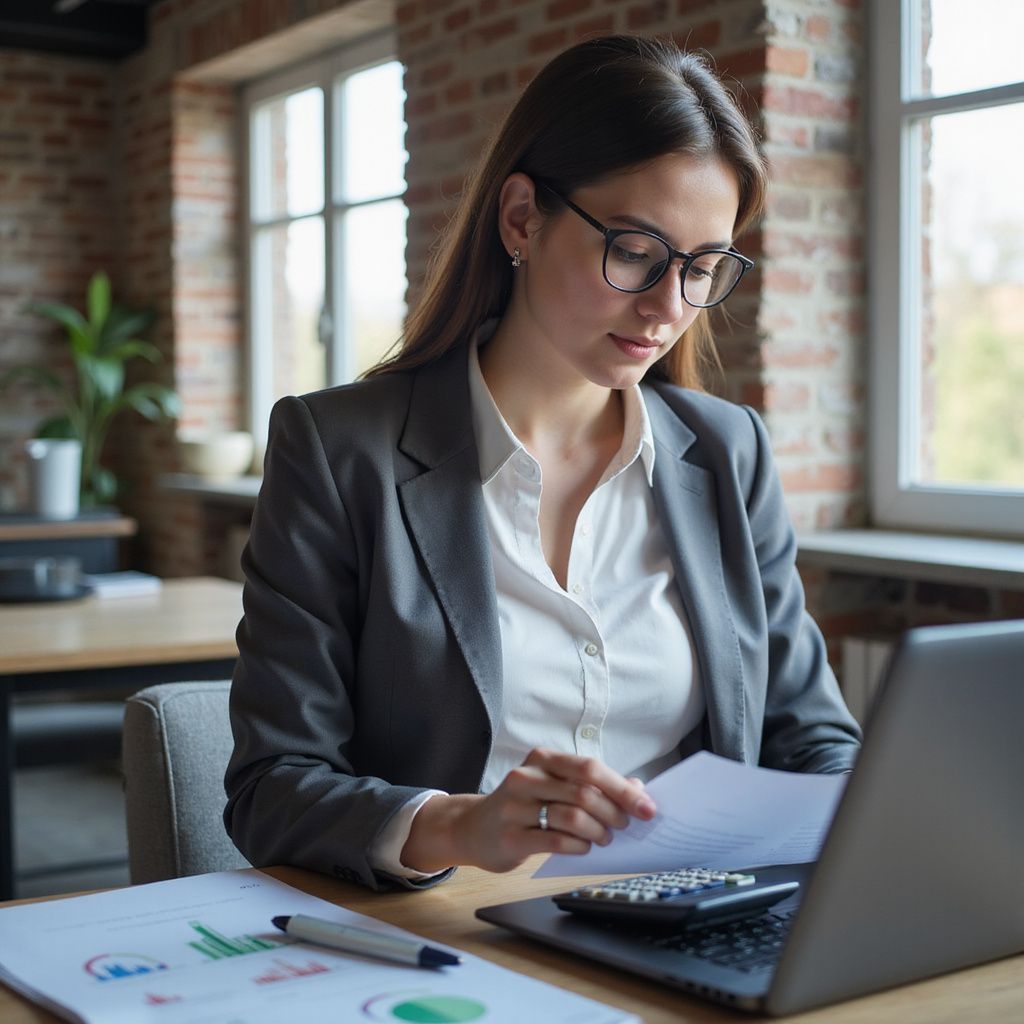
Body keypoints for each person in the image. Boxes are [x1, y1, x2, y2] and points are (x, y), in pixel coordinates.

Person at [224, 34, 861, 891]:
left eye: (705, 267)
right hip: (458, 937)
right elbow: (272, 789)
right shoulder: (340, 453)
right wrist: (459, 824)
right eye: (635, 251)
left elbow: (810, 735)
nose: (670, 307)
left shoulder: (728, 451)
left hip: (694, 921)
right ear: (522, 217)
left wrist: (892, 811)